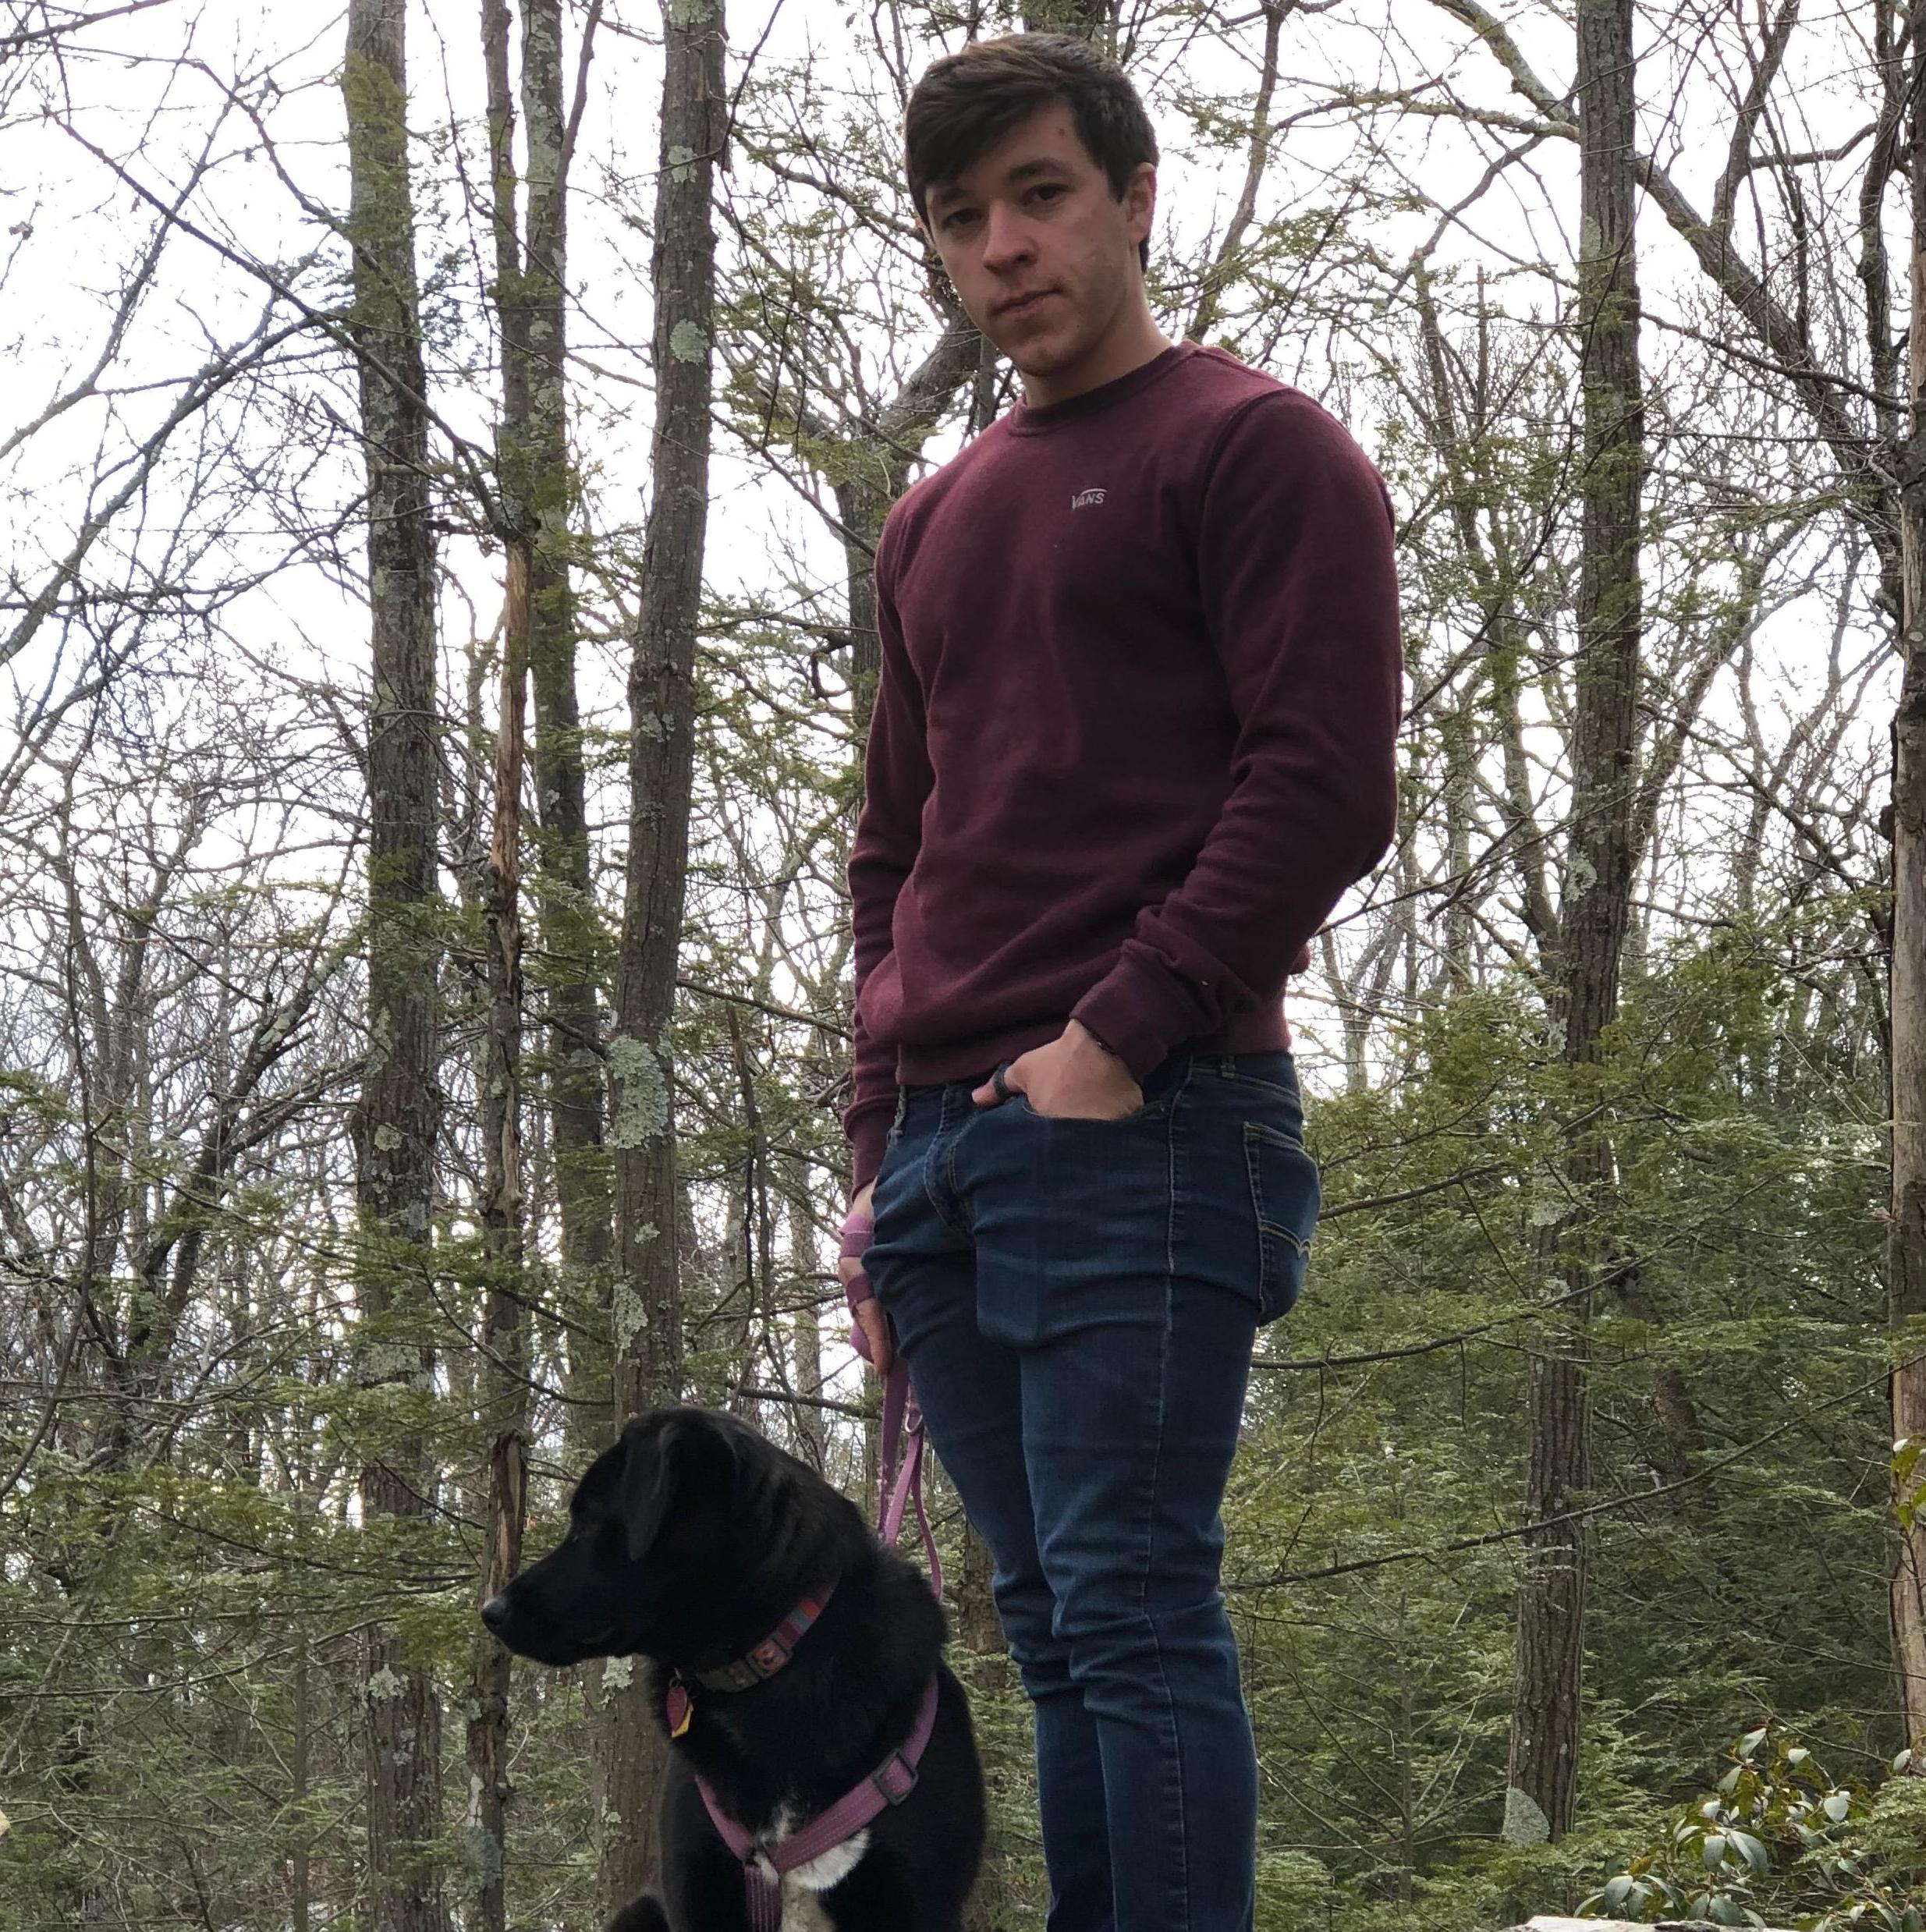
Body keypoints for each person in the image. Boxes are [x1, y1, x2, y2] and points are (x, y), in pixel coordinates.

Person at [835, 31, 1402, 1932]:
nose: (1001, 247)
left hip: (1144, 1116)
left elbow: (1319, 784)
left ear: (1135, 199)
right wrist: (873, 1156)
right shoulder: (930, 518)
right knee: (1050, 1629)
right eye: (959, 217)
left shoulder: (1252, 448)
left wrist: (1115, 1040)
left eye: (1040, 196)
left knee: (1131, 1608)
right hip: (939, 1155)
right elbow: (894, 852)